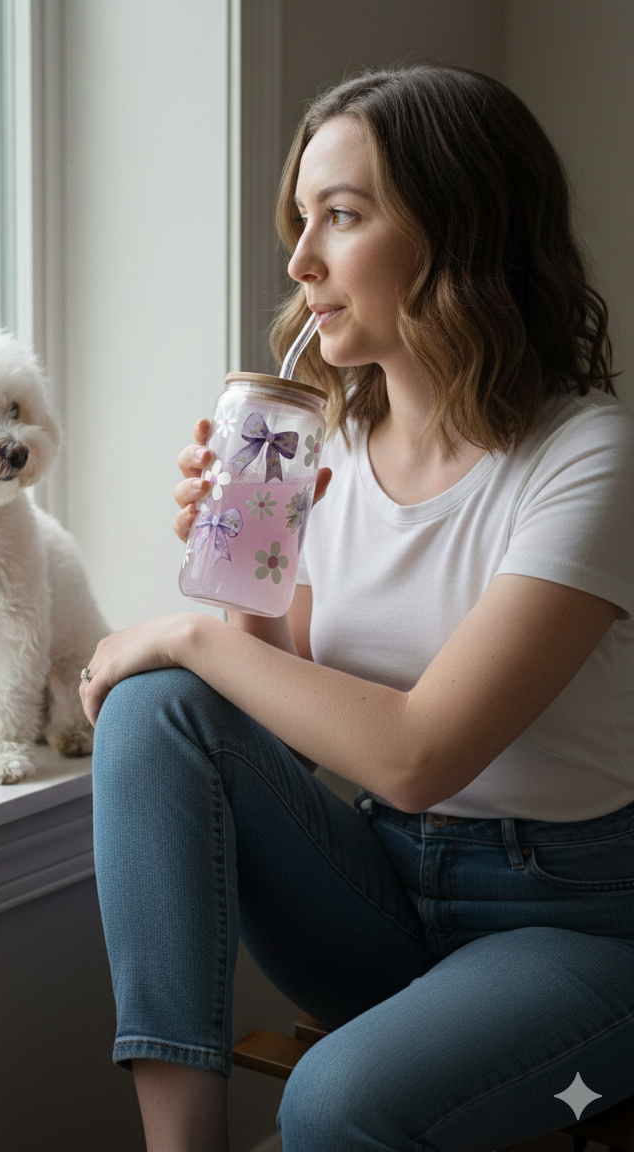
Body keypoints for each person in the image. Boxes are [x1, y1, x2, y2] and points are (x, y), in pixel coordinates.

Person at [78, 64, 634, 1152]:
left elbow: (418, 753)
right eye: (300, 219)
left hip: (574, 930)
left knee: (335, 1106)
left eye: (339, 216)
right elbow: (296, 702)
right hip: (380, 891)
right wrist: (246, 584)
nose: (299, 260)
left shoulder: (588, 460)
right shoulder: (322, 444)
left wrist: (185, 630)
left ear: (458, 228)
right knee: (155, 710)